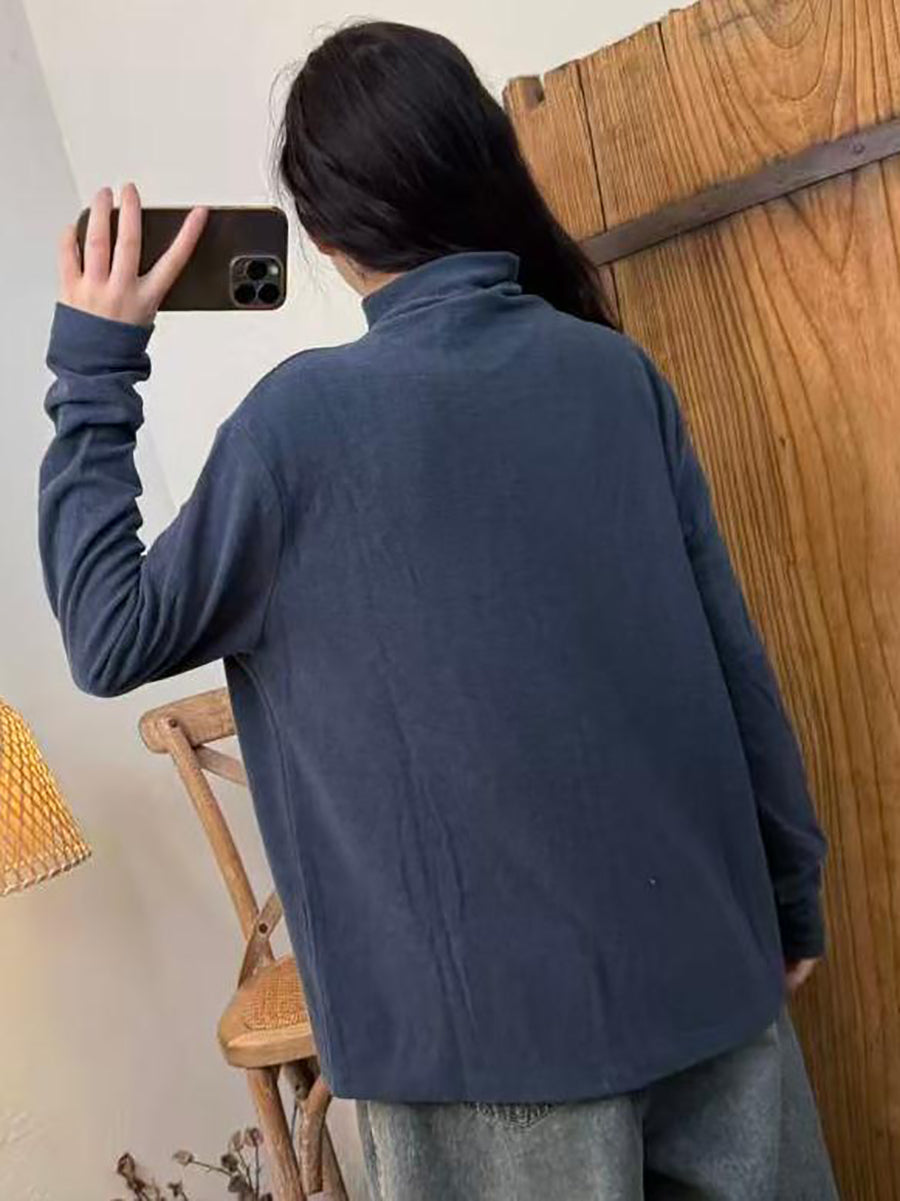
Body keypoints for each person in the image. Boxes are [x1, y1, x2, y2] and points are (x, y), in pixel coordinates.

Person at [38, 18, 837, 1201]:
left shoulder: (295, 430)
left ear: (320, 231)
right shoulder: (614, 375)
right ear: (482, 168)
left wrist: (97, 359)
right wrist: (790, 900)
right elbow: (734, 663)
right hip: (715, 983)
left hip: (482, 1051)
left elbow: (108, 635)